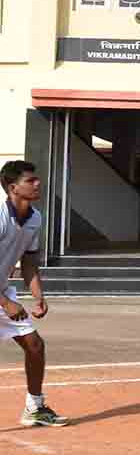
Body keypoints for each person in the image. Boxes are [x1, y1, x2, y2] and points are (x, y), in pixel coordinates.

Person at [2, 161, 68, 427]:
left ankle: (35, 407)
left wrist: (38, 296)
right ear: (13, 187)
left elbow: (29, 261)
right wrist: (6, 303)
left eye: (36, 179)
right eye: (30, 181)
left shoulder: (35, 218)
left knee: (34, 345)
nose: (37, 184)